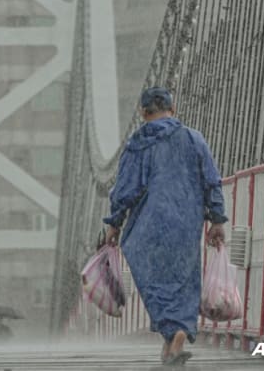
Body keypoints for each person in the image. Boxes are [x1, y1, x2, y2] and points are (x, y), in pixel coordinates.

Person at [103, 87, 227, 366]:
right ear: (173, 109)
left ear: (143, 113)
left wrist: (114, 223)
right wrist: (217, 219)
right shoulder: (194, 138)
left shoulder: (137, 144)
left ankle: (170, 334)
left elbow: (124, 189)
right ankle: (179, 331)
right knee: (184, 278)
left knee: (153, 280)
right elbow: (212, 181)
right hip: (186, 220)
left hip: (147, 224)